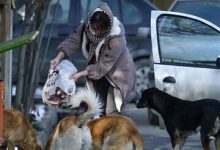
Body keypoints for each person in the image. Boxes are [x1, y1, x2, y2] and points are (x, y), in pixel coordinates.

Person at [50, 3, 136, 116]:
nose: (96, 32)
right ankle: (96, 130)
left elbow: (103, 65)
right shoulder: (87, 25)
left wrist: (79, 74)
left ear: (108, 27)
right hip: (96, 71)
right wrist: (58, 57)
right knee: (95, 107)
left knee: (109, 111)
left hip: (116, 73)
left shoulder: (116, 38)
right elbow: (73, 40)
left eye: (100, 30)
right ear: (91, 22)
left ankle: (108, 131)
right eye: (94, 28)